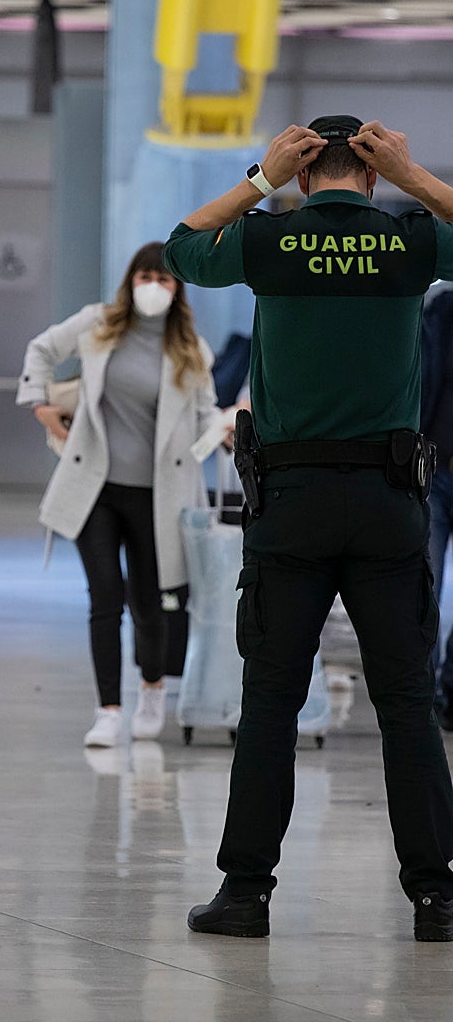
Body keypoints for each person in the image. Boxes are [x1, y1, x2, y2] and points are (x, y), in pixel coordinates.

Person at [163, 115, 453, 943]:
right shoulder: (409, 244)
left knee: (270, 705)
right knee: (404, 706)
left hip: (289, 507)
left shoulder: (270, 241)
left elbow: (181, 249)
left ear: (301, 174)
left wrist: (257, 179)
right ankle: (438, 899)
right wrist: (414, 173)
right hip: (390, 504)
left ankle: (246, 894)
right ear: (369, 172)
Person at [17, 242, 222, 748]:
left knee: (150, 603)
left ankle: (152, 689)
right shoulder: (99, 324)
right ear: (131, 280)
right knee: (104, 598)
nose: (154, 286)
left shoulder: (192, 351)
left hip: (158, 499)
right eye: (146, 276)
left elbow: (203, 416)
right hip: (96, 489)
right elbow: (41, 349)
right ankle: (108, 708)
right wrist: (41, 403)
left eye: (165, 279)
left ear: (179, 289)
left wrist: (224, 428)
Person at [419, 285, 453, 732]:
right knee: (422, 587)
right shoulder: (443, 309)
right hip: (438, 472)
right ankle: (420, 697)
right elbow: (425, 381)